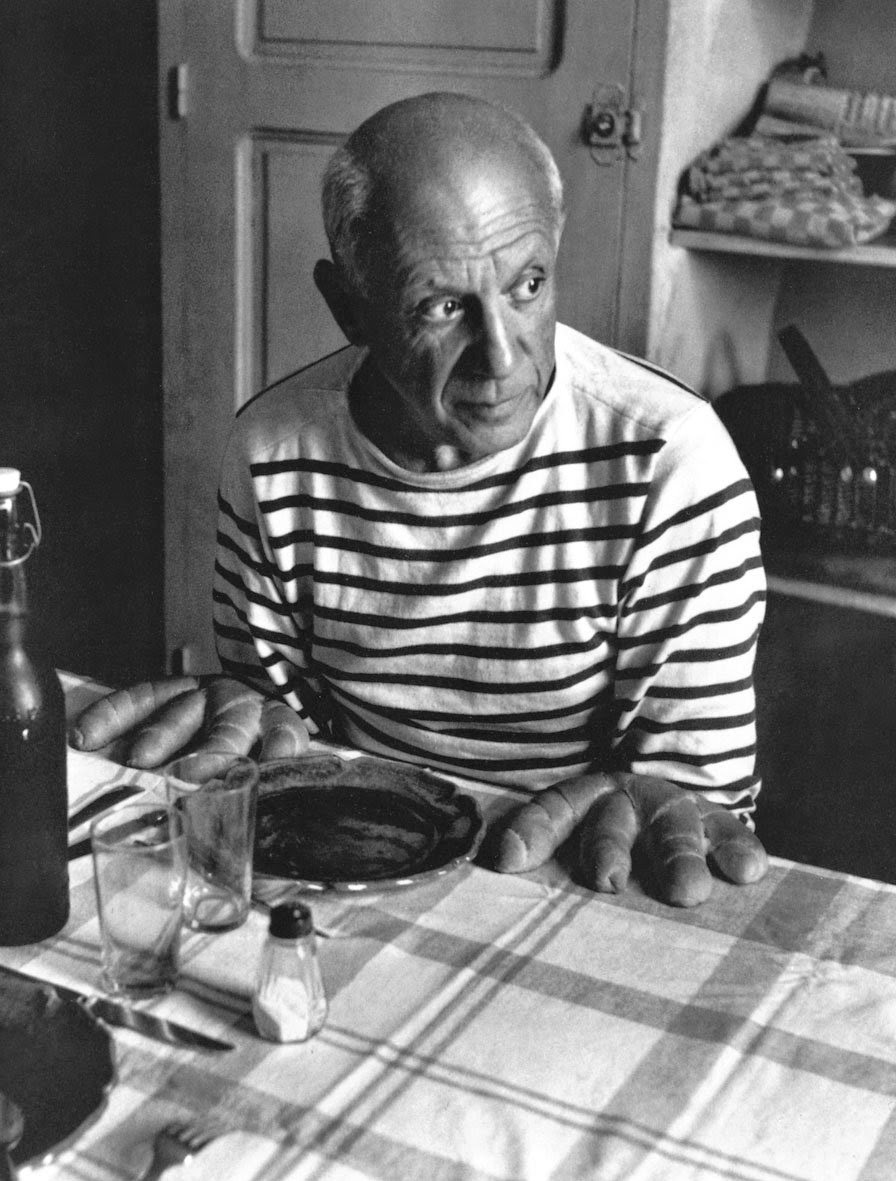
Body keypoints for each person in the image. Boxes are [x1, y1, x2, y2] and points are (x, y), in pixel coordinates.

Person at [82, 92, 769, 904]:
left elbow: (692, 806)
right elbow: (283, 739)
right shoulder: (273, 453)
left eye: (528, 285)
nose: (501, 356)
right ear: (348, 307)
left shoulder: (671, 464)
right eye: (442, 307)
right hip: (360, 859)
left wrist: (648, 802)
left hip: (578, 877)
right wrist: (251, 715)